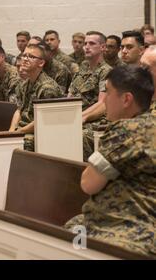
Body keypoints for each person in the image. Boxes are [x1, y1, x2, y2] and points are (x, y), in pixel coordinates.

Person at [65, 65, 155, 258]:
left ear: (126, 99)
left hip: (121, 232)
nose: (104, 100)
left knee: (72, 237)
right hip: (142, 228)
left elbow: (88, 184)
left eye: (108, 92)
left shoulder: (126, 130)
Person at [9, 44, 63, 151]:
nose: (25, 59)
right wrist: (11, 131)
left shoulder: (47, 87)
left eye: (31, 57)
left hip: (42, 131)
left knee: (21, 144)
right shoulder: (24, 84)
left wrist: (18, 132)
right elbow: (19, 110)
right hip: (24, 129)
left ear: (41, 63)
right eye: (24, 56)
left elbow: (43, 121)